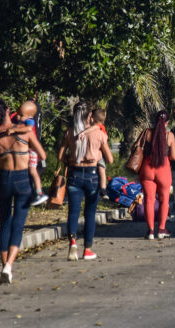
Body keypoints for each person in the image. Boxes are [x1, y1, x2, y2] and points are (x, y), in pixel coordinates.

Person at [0, 98, 46, 284]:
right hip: (22, 180)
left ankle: (3, 265)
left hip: (4, 179)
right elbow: (42, 155)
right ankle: (9, 265)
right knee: (18, 224)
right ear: (8, 110)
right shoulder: (25, 133)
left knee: (5, 223)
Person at [57, 101, 114, 261]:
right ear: (90, 116)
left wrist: (70, 159)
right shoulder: (99, 135)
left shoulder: (69, 133)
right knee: (90, 213)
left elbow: (60, 156)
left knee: (73, 212)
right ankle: (87, 249)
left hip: (74, 174)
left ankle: (72, 243)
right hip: (92, 175)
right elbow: (109, 159)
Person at [137, 110, 175, 239]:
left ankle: (150, 231)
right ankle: (161, 229)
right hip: (163, 169)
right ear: (167, 122)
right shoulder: (169, 136)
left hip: (147, 168)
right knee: (164, 200)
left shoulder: (147, 133)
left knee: (149, 200)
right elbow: (174, 156)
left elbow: (136, 148)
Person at [9, 100, 49, 206]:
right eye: (18, 113)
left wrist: (14, 130)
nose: (18, 117)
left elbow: (29, 129)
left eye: (21, 115)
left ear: (30, 116)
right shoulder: (20, 119)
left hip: (33, 151)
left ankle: (39, 192)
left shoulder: (30, 122)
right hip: (27, 150)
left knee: (32, 170)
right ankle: (33, 193)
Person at [78, 108, 110, 199]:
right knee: (101, 170)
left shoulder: (99, 126)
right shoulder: (100, 126)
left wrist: (83, 132)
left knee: (101, 169)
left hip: (99, 154)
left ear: (92, 118)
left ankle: (103, 189)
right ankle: (102, 189)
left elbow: (95, 127)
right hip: (97, 153)